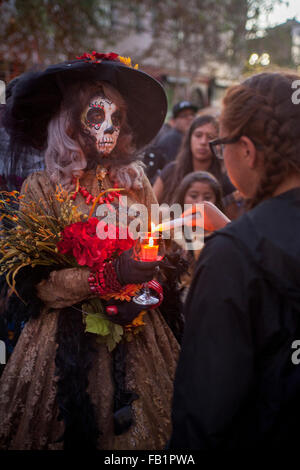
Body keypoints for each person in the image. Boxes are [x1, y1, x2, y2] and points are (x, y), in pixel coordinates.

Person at [0, 52, 181, 450]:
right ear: (69, 121)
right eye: (96, 117)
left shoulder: (136, 182)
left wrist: (149, 292)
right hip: (62, 342)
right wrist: (108, 276)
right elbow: (33, 282)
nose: (109, 130)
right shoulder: (42, 188)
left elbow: (163, 254)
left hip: (137, 332)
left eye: (117, 119)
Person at [170, 72, 300, 449]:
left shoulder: (231, 258)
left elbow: (203, 416)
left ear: (246, 150)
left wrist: (234, 242)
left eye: (220, 142)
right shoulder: (239, 251)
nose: (218, 154)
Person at [153, 115, 235, 205]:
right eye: (198, 135)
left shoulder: (225, 180)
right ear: (189, 139)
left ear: (218, 144)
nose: (203, 142)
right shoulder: (171, 171)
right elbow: (150, 205)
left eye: (210, 137)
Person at [154, 100, 197, 165]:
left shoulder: (186, 136)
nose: (190, 118)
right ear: (174, 121)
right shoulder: (173, 138)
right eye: (184, 115)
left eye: (192, 114)